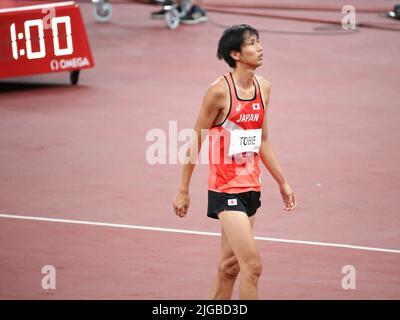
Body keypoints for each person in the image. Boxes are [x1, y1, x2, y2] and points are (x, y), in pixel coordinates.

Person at [172, 24, 297, 300]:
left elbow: (262, 140)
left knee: (229, 268)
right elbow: (196, 139)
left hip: (251, 186)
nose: (260, 47)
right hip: (225, 190)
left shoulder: (263, 88)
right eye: (252, 43)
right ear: (235, 54)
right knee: (252, 267)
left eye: (259, 41)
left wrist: (283, 183)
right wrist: (183, 189)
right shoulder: (219, 92)